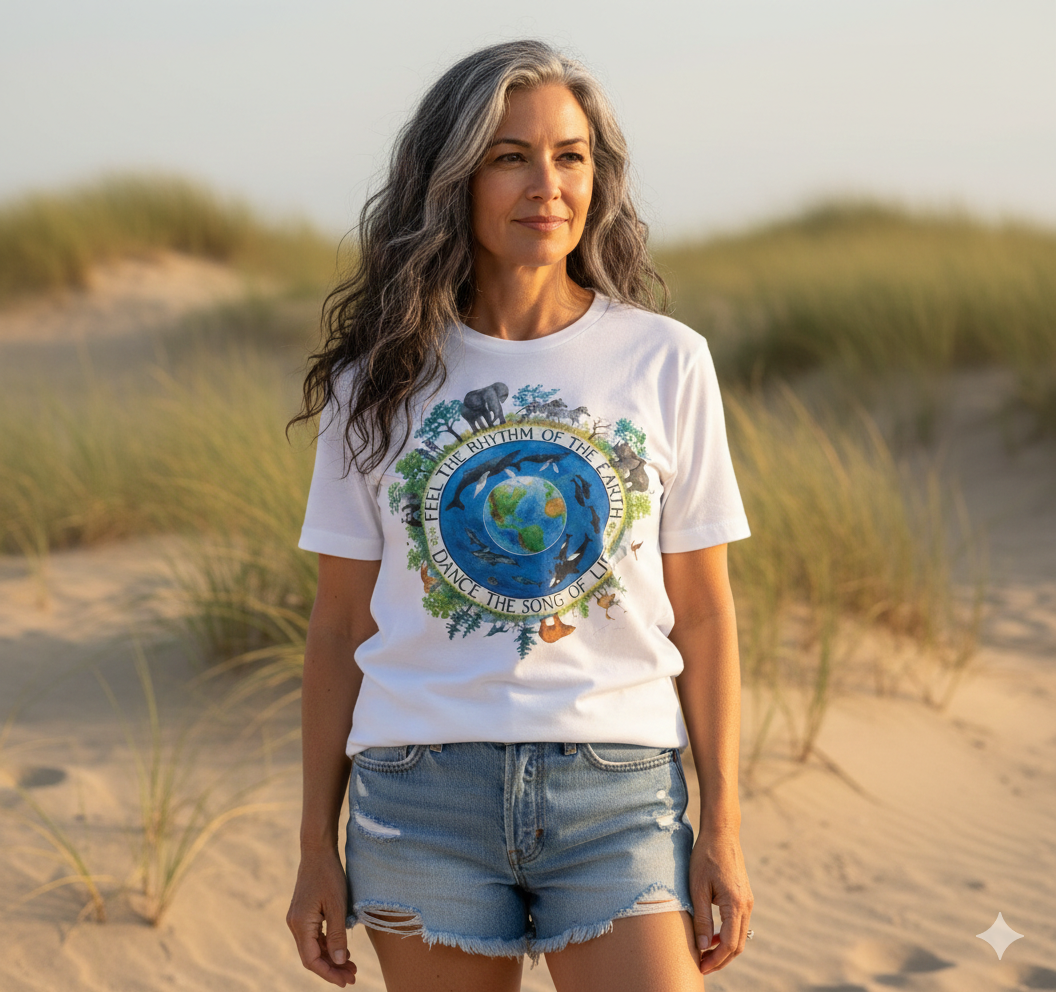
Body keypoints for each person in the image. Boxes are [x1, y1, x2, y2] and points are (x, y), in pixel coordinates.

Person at [286, 38, 754, 992]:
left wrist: (725, 829)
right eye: (511, 157)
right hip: (420, 799)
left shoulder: (666, 359)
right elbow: (338, 627)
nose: (548, 185)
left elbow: (705, 614)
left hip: (618, 794)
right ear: (452, 178)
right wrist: (313, 850)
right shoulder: (375, 380)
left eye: (569, 156)